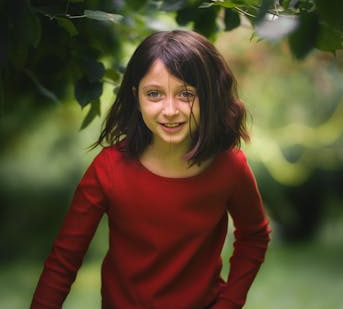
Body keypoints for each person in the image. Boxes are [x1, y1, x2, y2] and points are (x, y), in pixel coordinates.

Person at [30, 29, 271, 309]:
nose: (170, 110)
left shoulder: (230, 167)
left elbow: (254, 237)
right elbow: (64, 260)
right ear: (136, 96)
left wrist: (228, 303)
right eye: (154, 94)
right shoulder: (108, 169)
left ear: (209, 96)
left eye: (186, 94)